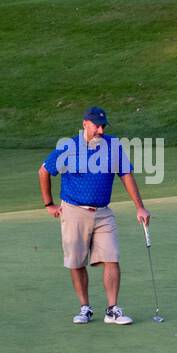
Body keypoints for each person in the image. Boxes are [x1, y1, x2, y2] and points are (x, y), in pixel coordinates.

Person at [38, 106, 151, 326]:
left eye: (103, 126)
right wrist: (49, 204)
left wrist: (140, 207)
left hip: (103, 213)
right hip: (73, 211)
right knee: (76, 262)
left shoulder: (112, 145)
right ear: (85, 124)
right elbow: (43, 171)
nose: (100, 130)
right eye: (96, 126)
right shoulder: (69, 147)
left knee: (112, 258)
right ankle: (85, 307)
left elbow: (125, 174)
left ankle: (112, 310)